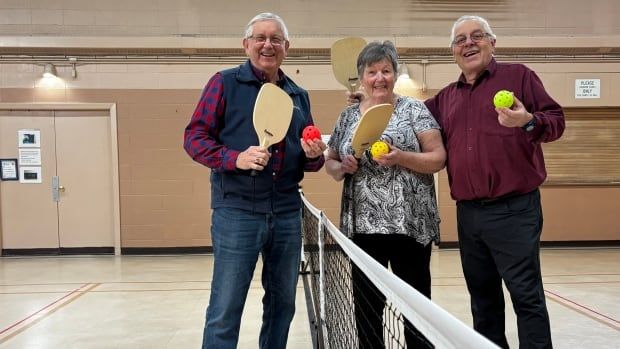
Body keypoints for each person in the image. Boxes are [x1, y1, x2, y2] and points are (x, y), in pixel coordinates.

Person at [183, 12, 326, 349]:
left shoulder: (298, 95)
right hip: (236, 213)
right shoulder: (224, 82)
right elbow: (194, 138)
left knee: (282, 306)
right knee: (226, 308)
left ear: (286, 47)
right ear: (246, 44)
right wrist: (235, 158)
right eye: (260, 38)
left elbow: (310, 159)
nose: (267, 44)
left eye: (276, 39)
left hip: (288, 214)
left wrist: (313, 153)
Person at [423, 15, 566, 348]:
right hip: (469, 215)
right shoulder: (445, 99)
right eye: (460, 40)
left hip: (515, 210)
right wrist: (373, 100)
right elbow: (410, 116)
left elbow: (556, 121)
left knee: (526, 298)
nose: (469, 43)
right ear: (453, 51)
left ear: (492, 43)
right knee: (483, 302)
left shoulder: (519, 77)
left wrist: (528, 120)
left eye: (477, 36)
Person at [325, 40, 446, 349]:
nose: (380, 78)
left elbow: (438, 158)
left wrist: (400, 157)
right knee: (367, 310)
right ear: (362, 76)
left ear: (395, 73)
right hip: (362, 229)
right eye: (372, 72)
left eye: (386, 71)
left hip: (411, 227)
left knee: (417, 309)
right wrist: (343, 168)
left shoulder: (414, 111)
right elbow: (331, 161)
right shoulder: (348, 117)